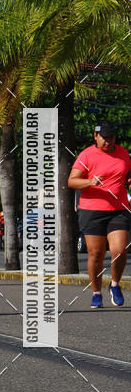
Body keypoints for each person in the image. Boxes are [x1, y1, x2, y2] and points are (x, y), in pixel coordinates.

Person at [68, 120, 131, 308]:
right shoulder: (87, 155)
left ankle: (114, 284)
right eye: (104, 137)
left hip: (118, 209)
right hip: (92, 209)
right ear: (96, 136)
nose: (108, 141)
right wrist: (89, 182)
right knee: (96, 253)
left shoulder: (123, 153)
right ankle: (96, 292)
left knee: (119, 250)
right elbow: (72, 181)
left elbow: (127, 174)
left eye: (111, 137)